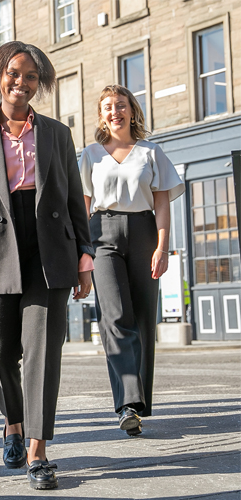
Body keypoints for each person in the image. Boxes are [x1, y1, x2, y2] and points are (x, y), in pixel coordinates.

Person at [0, 41, 93, 490]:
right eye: (15, 73)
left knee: (42, 353)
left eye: (31, 77)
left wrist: (85, 259)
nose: (22, 82)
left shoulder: (57, 134)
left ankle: (37, 451)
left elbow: (74, 201)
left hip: (50, 250)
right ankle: (13, 421)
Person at [80, 84, 184, 437]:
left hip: (143, 233)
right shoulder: (90, 155)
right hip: (102, 235)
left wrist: (162, 246)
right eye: (108, 106)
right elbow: (82, 204)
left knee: (141, 319)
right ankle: (127, 403)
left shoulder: (151, 152)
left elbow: (163, 203)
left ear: (132, 111)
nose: (115, 112)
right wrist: (81, 249)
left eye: (121, 105)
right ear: (101, 115)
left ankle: (140, 404)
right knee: (115, 315)